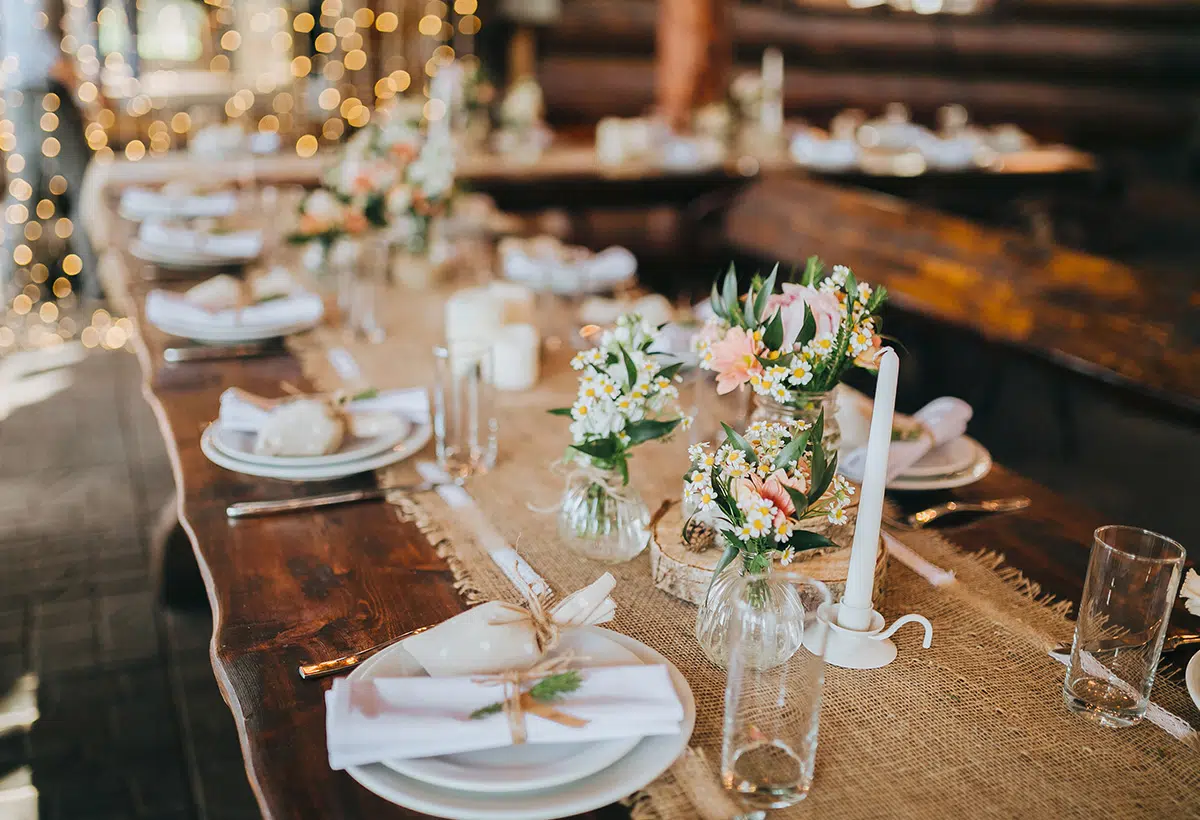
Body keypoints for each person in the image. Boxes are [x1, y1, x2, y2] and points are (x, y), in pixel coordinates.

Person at [1, 0, 101, 301]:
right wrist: (86, 94)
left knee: (28, 191)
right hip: (42, 91)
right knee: (86, 186)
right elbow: (43, 45)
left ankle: (9, 285)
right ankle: (98, 288)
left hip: (25, 91)